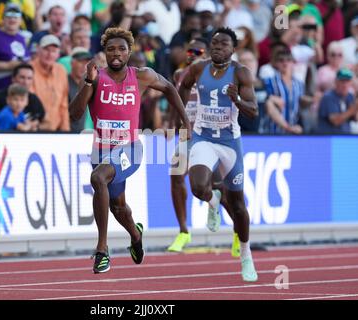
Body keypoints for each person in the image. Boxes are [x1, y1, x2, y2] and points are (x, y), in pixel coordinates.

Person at [69, 27, 191, 274]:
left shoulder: (142, 76)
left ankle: (102, 250)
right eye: (111, 49)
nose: (116, 53)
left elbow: (169, 88)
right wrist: (88, 82)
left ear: (129, 52)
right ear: (105, 52)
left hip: (131, 149)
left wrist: (185, 121)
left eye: (121, 49)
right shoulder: (96, 78)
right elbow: (74, 115)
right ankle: (135, 235)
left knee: (98, 178)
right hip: (101, 150)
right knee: (118, 207)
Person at [178, 27, 258, 282]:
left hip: (229, 144)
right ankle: (213, 200)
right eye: (214, 44)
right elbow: (182, 88)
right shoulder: (198, 68)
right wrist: (183, 121)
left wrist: (237, 101)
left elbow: (253, 112)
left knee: (238, 206)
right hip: (203, 138)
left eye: (224, 44)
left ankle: (246, 256)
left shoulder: (241, 73)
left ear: (233, 49)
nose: (217, 48)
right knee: (198, 187)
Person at [0, 63, 46, 129]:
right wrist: (30, 126)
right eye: (22, 77)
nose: (26, 82)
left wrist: (36, 125)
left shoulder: (34, 99)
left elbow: (46, 122)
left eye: (29, 78)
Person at [317, 68, 358, 134]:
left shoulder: (350, 96)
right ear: (336, 82)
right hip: (329, 138)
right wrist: (353, 109)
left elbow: (355, 119)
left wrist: (356, 109)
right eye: (342, 81)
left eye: (347, 81)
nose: (345, 85)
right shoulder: (328, 97)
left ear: (351, 83)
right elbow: (335, 121)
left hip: (346, 137)